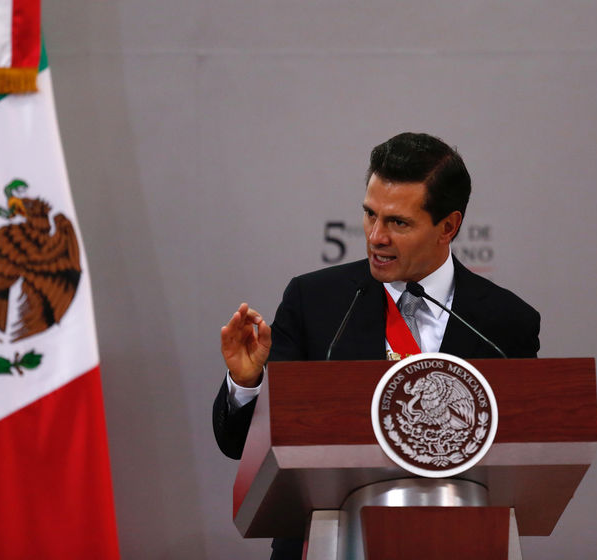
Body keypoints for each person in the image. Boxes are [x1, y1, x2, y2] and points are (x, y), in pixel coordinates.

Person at [212, 132, 540, 559]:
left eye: (398, 223)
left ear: (449, 227)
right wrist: (247, 381)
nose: (375, 237)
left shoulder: (504, 323)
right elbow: (241, 445)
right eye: (370, 215)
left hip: (461, 543)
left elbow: (525, 456)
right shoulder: (316, 303)